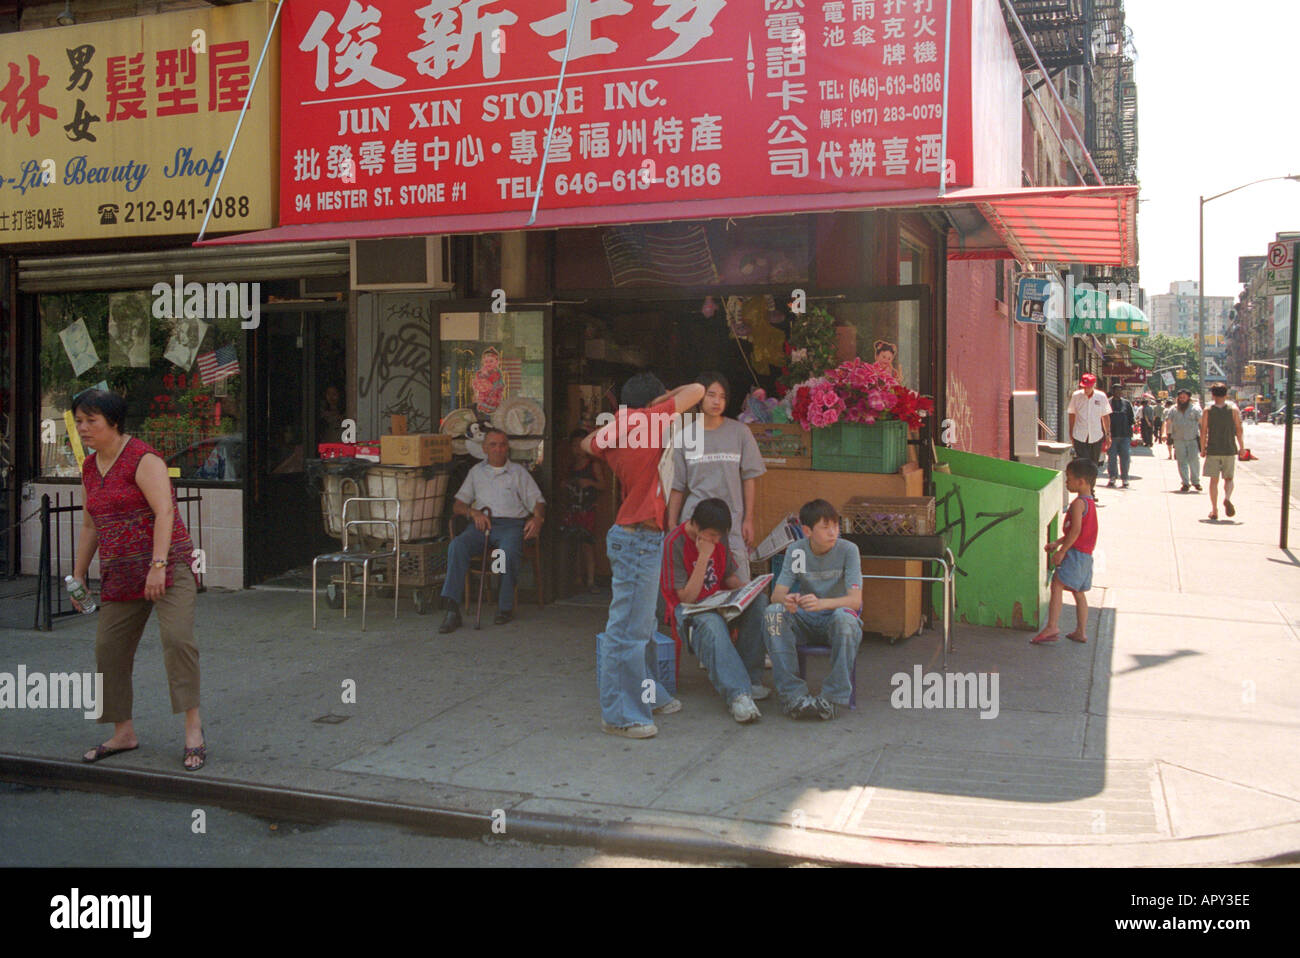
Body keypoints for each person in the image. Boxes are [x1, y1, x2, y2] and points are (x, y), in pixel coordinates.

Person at [69, 389, 206, 771]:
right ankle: (123, 732)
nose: (83, 429)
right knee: (108, 649)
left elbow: (165, 512)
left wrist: (158, 565)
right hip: (121, 571)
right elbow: (90, 524)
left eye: (90, 421)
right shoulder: (89, 466)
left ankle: (193, 730)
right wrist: (78, 574)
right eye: (79, 421)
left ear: (114, 422)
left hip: (168, 565)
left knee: (177, 640)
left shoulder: (143, 459)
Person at [583, 373, 705, 739]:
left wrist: (623, 419)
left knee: (643, 628)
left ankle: (650, 695)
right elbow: (697, 389)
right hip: (638, 538)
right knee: (629, 633)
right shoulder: (651, 419)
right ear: (652, 403)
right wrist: (663, 399)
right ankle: (620, 715)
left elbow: (588, 444)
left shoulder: (622, 428)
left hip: (635, 536)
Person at [661, 498, 770, 723]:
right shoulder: (674, 543)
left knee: (759, 603)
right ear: (694, 524)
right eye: (711, 535)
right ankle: (738, 696)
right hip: (691, 610)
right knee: (712, 623)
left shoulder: (720, 536)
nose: (716, 540)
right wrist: (703, 556)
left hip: (719, 600)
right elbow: (686, 598)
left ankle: (750, 679)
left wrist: (747, 591)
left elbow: (728, 577)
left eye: (719, 536)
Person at [763, 499, 863, 720]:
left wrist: (822, 603)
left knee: (845, 621)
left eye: (835, 526)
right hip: (805, 618)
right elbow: (776, 594)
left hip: (835, 619)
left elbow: (855, 601)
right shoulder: (796, 551)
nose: (833, 532)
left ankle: (832, 698)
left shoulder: (848, 550)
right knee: (773, 614)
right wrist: (790, 599)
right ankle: (793, 696)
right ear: (807, 531)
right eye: (825, 527)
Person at [438, 428, 545, 632]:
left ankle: (504, 608)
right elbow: (458, 505)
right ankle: (452, 610)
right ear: (485, 448)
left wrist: (538, 517)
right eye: (493, 445)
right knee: (457, 546)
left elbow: (538, 501)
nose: (498, 449)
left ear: (508, 448)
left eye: (502, 444)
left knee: (505, 554)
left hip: (510, 525)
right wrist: (473, 513)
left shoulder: (518, 473)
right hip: (481, 525)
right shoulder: (476, 472)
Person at [667, 371, 766, 584]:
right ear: (699, 398)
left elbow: (749, 478)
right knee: (696, 584)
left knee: (738, 584)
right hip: (695, 523)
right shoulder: (685, 436)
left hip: (732, 522)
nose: (717, 401)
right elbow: (677, 486)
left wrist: (748, 519)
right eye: (711, 395)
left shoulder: (740, 433)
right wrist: (672, 523)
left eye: (722, 396)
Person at [1033, 458, 1098, 645]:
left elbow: (1075, 531)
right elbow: (1078, 532)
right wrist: (1058, 542)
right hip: (1086, 556)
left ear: (1082, 482)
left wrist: (1062, 551)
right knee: (1079, 592)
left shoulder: (1078, 504)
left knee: (1057, 584)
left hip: (1075, 554)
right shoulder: (1089, 503)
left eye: (1069, 479)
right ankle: (1081, 631)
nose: (1066, 482)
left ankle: (1052, 626)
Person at [559, 428, 606, 593]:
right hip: (573, 508)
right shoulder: (571, 466)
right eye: (574, 446)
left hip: (587, 509)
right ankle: (578, 578)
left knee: (588, 544)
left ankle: (591, 580)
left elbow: (603, 485)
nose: (577, 449)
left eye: (580, 445)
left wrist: (590, 483)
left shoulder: (594, 465)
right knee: (575, 543)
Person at [1201, 383, 1244, 521]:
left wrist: (1202, 448)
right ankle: (1227, 498)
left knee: (1214, 481)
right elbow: (1239, 429)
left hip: (1213, 449)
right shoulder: (1234, 410)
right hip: (1229, 449)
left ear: (1213, 395)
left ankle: (1214, 510)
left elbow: (1203, 431)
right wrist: (1242, 447)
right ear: (1226, 395)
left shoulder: (1208, 410)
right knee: (1229, 478)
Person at [1067, 373, 1110, 468]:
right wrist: (1071, 432)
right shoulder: (1076, 396)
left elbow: (1105, 416)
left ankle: (1091, 482)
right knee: (1082, 464)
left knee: (1093, 464)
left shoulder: (1101, 396)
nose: (1086, 389)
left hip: (1096, 436)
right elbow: (1071, 414)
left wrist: (1107, 435)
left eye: (1088, 387)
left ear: (1093, 385)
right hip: (1079, 436)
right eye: (1084, 387)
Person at [1166, 388, 1202, 492]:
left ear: (1188, 398)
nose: (1182, 399)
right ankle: (1185, 483)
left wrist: (1205, 437)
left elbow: (1202, 422)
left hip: (1192, 439)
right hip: (1178, 439)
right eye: (1180, 397)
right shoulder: (1173, 409)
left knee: (1194, 460)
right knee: (1181, 461)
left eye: (1184, 397)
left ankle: (1196, 481)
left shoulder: (1195, 409)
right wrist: (1168, 435)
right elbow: (1168, 422)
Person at [1106, 394, 1134, 488]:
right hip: (1112, 436)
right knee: (1112, 458)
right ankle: (1112, 477)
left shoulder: (1126, 403)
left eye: (1119, 390)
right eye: (1115, 390)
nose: (1117, 392)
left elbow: (1131, 419)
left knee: (1125, 457)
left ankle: (1125, 478)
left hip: (1124, 436)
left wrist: (1130, 433)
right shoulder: (1108, 402)